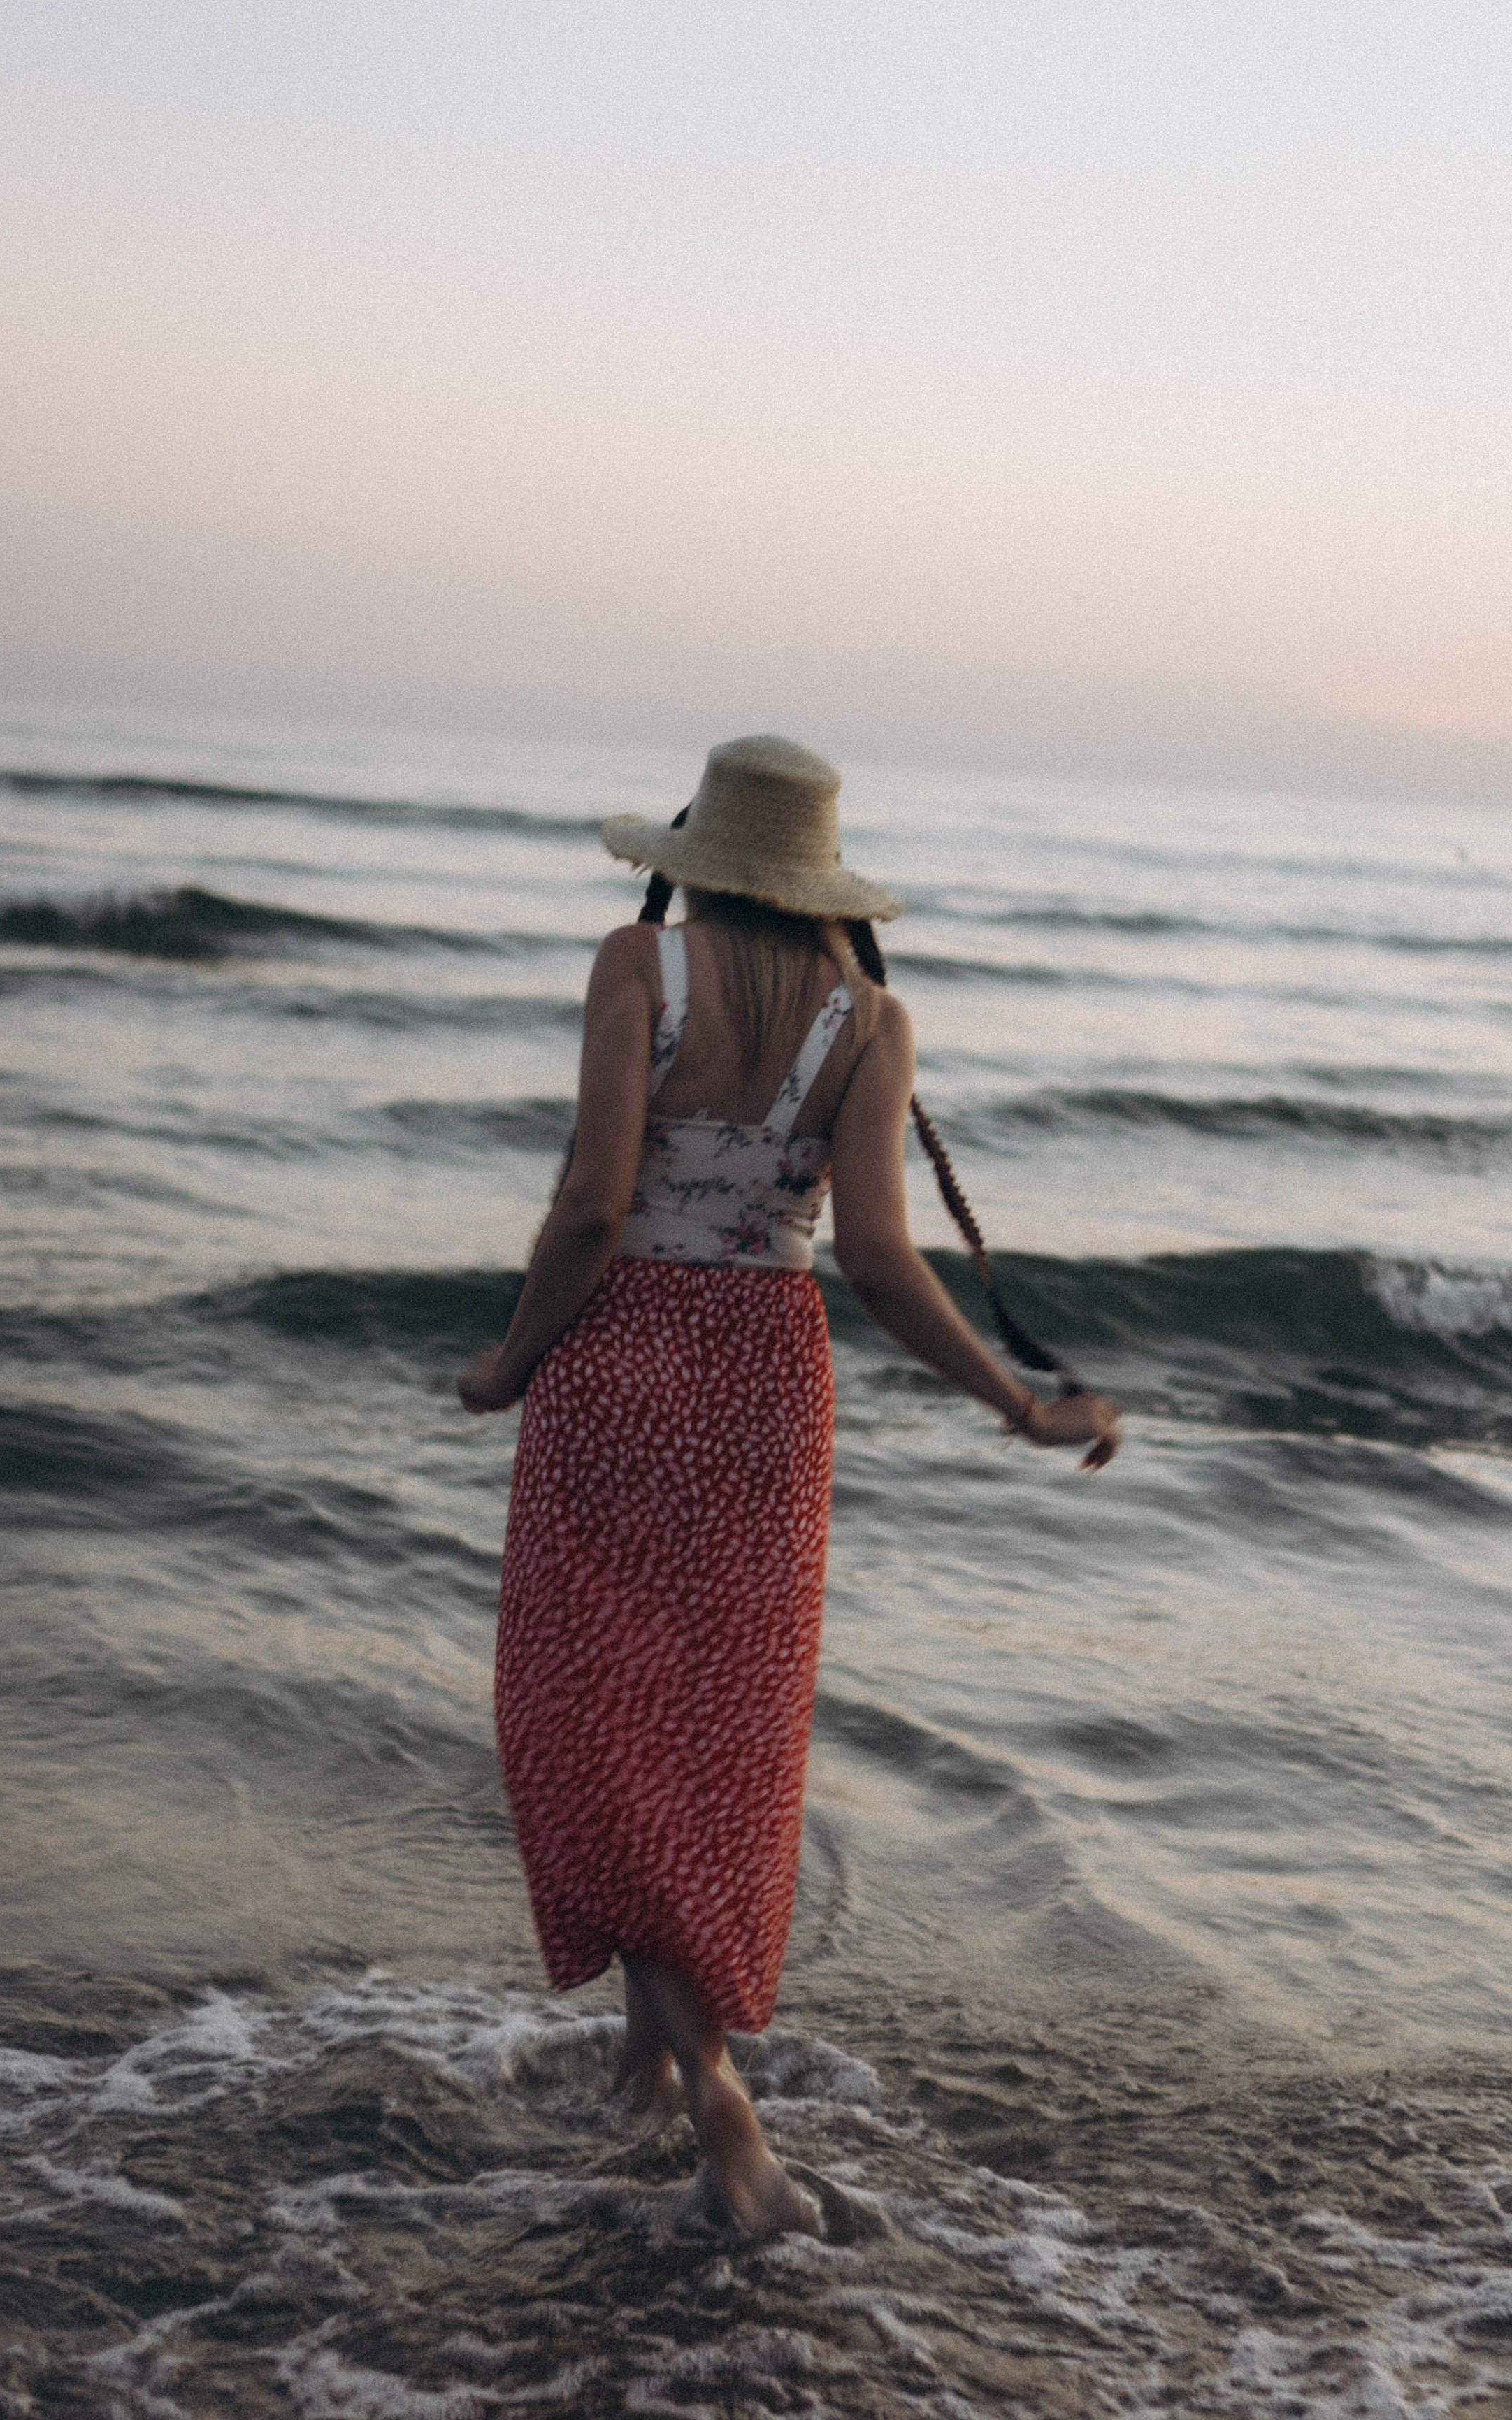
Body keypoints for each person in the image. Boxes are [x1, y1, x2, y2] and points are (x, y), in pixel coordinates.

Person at [459, 735, 1120, 2235]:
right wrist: (1013, 1400)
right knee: (711, 1731)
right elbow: (879, 1262)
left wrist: (507, 1364)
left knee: (581, 1717)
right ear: (818, 874)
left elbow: (590, 1206)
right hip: (767, 1382)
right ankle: (647, 2060)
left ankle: (720, 2108)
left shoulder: (639, 966)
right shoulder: (869, 1018)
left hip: (621, 1367)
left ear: (695, 852)